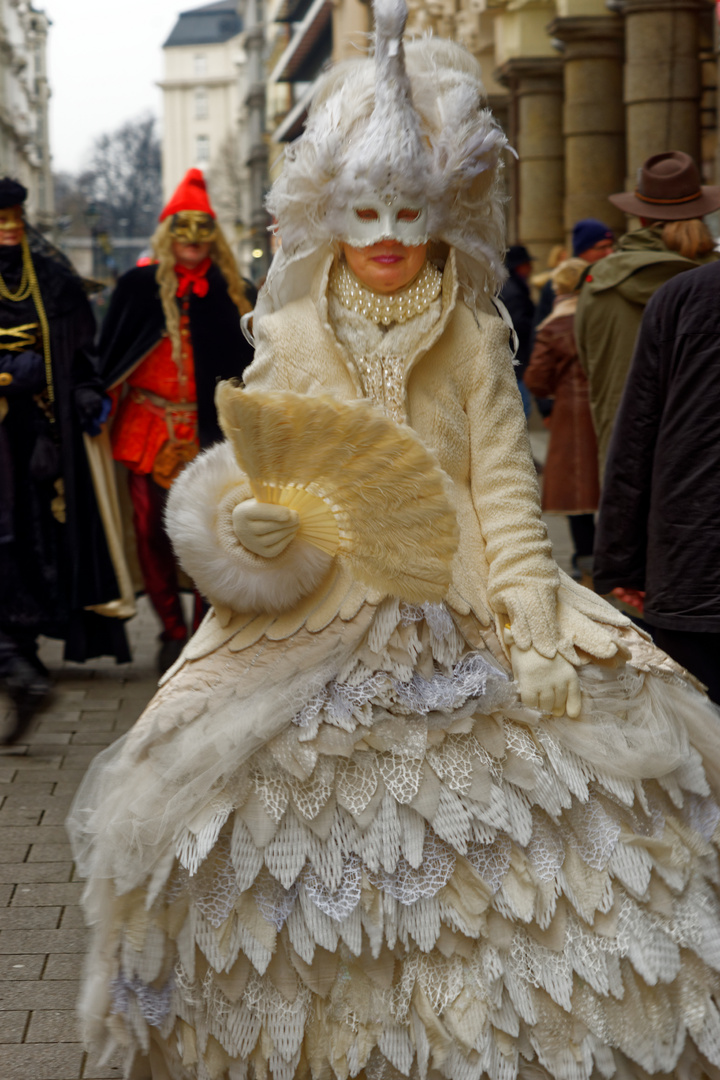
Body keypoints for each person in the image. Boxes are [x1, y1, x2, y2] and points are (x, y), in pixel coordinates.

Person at [69, 9, 720, 1079]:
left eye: (407, 212)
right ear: (328, 212)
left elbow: (505, 490)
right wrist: (251, 523)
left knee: (560, 830)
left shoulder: (472, 333)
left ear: (441, 213)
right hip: (313, 598)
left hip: (461, 596)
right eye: (363, 210)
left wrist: (534, 614)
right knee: (205, 808)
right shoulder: (283, 331)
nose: (384, 233)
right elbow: (262, 475)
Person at [98, 169, 254, 672]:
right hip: (147, 427)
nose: (192, 240)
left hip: (211, 432)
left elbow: (256, 363)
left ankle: (205, 629)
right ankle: (169, 628)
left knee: (208, 532)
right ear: (168, 232)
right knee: (150, 530)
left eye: (202, 228)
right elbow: (109, 355)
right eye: (182, 228)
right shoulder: (137, 287)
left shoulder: (235, 291)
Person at [0, 178, 131, 745]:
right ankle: (16, 664)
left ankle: (21, 660)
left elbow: (82, 352)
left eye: (14, 216)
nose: (9, 225)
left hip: (40, 438)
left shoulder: (51, 280)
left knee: (34, 539)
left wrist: (82, 389)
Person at [593, 259, 720, 703]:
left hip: (690, 558)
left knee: (703, 738)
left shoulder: (682, 296)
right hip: (692, 562)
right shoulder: (679, 297)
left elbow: (636, 436)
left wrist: (621, 559)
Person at [575, 151, 720, 477]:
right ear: (702, 212)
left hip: (626, 463)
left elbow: (589, 363)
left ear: (640, 216)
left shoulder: (599, 281)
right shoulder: (713, 280)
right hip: (707, 471)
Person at [524, 258, 599, 585]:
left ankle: (588, 563)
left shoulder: (555, 326)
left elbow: (537, 378)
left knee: (579, 498)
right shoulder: (604, 316)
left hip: (572, 415)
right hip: (611, 407)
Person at [533, 219, 614, 331]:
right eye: (602, 247)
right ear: (583, 250)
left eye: (611, 246)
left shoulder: (613, 279)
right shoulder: (559, 284)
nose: (610, 253)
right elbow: (541, 330)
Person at [498, 244, 534, 416]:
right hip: (516, 361)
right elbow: (517, 326)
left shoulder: (511, 287)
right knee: (520, 411)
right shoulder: (515, 291)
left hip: (513, 360)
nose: (531, 269)